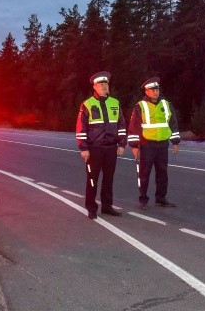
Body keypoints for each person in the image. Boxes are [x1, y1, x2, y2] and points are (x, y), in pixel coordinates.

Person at [76, 71, 127, 219]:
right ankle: (91, 208)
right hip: (94, 149)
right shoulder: (87, 104)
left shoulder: (115, 103)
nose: (104, 86)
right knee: (92, 179)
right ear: (95, 87)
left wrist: (122, 144)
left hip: (111, 148)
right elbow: (81, 128)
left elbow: (121, 125)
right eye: (101, 84)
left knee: (108, 179)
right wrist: (84, 148)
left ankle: (107, 207)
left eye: (106, 84)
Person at [127, 77, 180, 210]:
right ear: (147, 91)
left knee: (162, 173)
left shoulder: (166, 104)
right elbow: (134, 126)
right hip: (147, 144)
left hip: (162, 144)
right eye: (153, 90)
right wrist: (134, 146)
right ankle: (143, 200)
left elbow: (173, 123)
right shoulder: (140, 106)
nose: (156, 92)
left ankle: (161, 198)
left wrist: (175, 142)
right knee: (144, 173)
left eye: (157, 89)